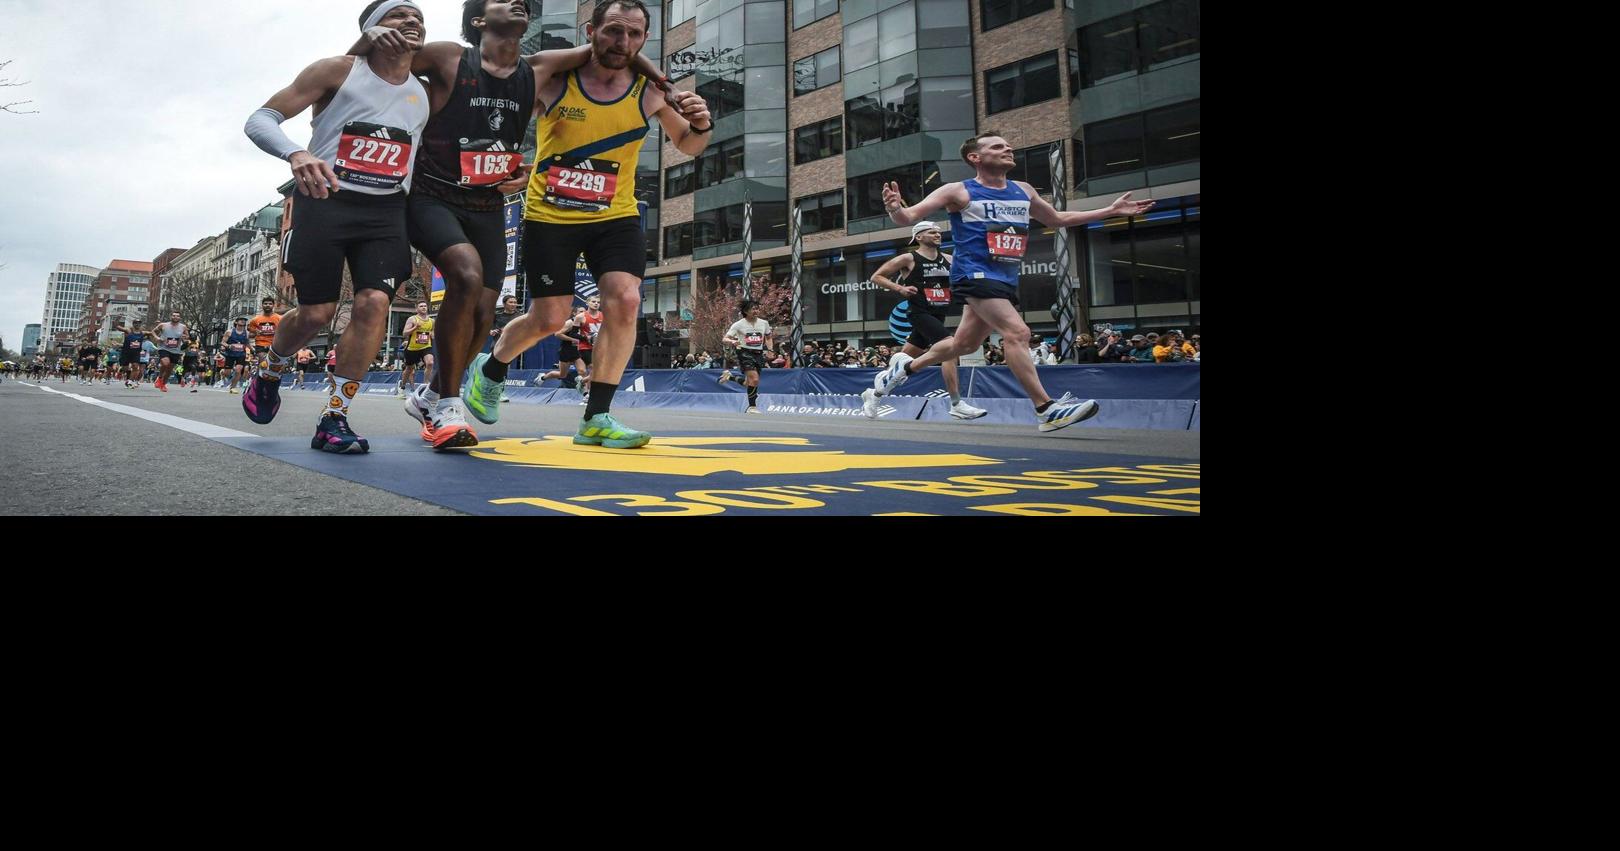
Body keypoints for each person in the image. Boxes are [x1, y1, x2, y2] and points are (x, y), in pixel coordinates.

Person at [354, 0, 664, 447]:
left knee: (483, 305)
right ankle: (445, 402)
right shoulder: (448, 56)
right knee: (465, 274)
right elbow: (364, 68)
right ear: (479, 20)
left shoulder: (537, 68)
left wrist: (661, 82)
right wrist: (368, 39)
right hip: (432, 193)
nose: (517, 1)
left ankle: (436, 392)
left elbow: (613, 47)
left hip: (487, 202)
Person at [461, 0, 713, 448]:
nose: (624, 42)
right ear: (591, 30)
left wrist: (702, 122)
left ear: (645, 40)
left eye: (635, 34)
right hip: (549, 216)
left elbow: (689, 145)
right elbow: (507, 110)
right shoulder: (557, 81)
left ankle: (597, 417)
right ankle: (492, 367)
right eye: (614, 31)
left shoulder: (650, 92)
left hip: (614, 216)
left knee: (626, 299)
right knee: (549, 317)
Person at [865, 132, 1155, 432]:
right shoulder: (958, 191)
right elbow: (908, 217)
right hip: (973, 274)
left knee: (964, 344)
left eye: (1007, 145)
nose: (1008, 148)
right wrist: (895, 207)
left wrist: (1110, 211)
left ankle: (900, 370)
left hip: (1004, 277)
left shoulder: (1024, 190)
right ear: (974, 158)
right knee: (1017, 332)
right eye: (997, 146)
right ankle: (1046, 409)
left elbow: (1056, 219)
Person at [240, 0, 432, 453]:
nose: (412, 21)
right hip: (324, 202)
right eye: (398, 14)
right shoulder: (336, 70)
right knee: (316, 314)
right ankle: (268, 372)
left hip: (385, 211)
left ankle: (335, 418)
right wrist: (297, 153)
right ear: (370, 29)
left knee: (373, 305)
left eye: (418, 17)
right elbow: (260, 118)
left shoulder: (424, 90)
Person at [867, 220, 987, 420]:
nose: (938, 235)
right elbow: (876, 277)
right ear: (919, 237)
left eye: (939, 232)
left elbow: (966, 278)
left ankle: (875, 394)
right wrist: (900, 288)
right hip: (919, 313)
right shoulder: (908, 258)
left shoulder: (949, 259)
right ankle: (956, 403)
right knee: (950, 348)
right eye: (932, 232)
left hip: (939, 313)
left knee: (902, 367)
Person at [721, 299, 772, 413]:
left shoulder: (764, 323)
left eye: (757, 308)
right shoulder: (738, 324)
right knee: (755, 379)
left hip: (758, 354)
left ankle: (729, 377)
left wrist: (770, 349)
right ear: (745, 311)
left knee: (749, 383)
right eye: (753, 309)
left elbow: (768, 337)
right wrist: (732, 342)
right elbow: (725, 338)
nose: (756, 311)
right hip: (745, 353)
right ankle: (752, 407)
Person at [152, 311, 188, 393]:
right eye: (174, 315)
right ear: (170, 316)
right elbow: (153, 331)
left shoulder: (183, 327)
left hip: (176, 350)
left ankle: (163, 384)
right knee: (165, 363)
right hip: (163, 348)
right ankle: (160, 377)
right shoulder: (163, 325)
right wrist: (157, 338)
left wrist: (185, 337)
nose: (175, 317)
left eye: (177, 316)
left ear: (180, 318)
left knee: (169, 369)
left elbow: (187, 336)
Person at [222, 318, 252, 394]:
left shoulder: (247, 333)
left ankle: (233, 387)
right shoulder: (229, 332)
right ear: (236, 322)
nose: (243, 321)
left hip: (241, 354)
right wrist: (228, 346)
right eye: (241, 320)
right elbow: (223, 342)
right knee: (227, 373)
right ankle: (229, 375)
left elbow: (247, 344)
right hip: (230, 354)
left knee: (238, 370)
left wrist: (253, 349)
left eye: (244, 320)